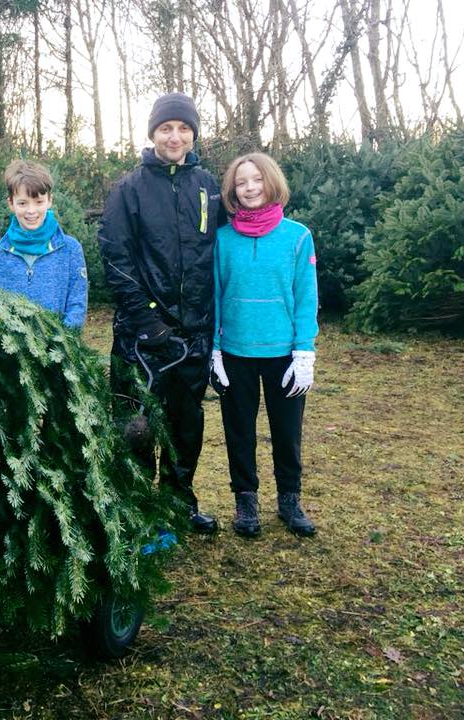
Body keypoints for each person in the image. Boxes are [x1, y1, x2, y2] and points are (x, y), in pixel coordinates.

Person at [98, 92, 225, 534]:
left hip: (195, 332)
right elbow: (115, 259)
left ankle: (177, 501)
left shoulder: (208, 186)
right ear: (152, 134)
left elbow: (221, 253)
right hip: (142, 336)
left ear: (193, 134)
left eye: (184, 128)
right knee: (136, 424)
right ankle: (134, 508)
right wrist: (148, 321)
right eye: (166, 128)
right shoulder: (128, 189)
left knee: (186, 423)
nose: (175, 136)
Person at [210, 152, 319, 538]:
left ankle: (289, 500)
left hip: (284, 354)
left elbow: (306, 297)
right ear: (233, 191)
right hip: (236, 353)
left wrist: (305, 351)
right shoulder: (222, 240)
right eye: (242, 182)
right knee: (239, 430)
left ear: (271, 182)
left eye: (257, 179)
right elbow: (216, 297)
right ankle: (245, 501)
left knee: (287, 432)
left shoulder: (297, 236)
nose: (250, 187)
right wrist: (215, 350)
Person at [0, 160, 88, 329]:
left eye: (38, 202)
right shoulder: (0, 255)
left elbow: (77, 304)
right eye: (23, 203)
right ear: (11, 203)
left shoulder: (70, 250)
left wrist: (61, 343)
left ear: (49, 200)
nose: (31, 211)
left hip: (58, 351)